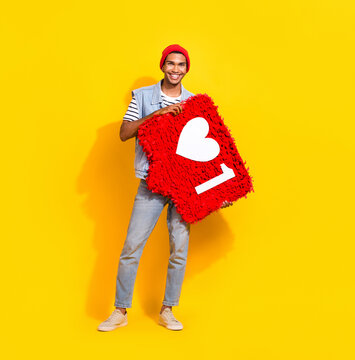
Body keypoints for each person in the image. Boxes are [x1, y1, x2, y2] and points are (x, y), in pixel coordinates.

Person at [98, 44, 194, 332]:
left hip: (182, 186)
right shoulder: (141, 98)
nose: (175, 69)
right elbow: (124, 133)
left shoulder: (195, 102)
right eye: (171, 63)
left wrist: (217, 191)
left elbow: (205, 152)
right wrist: (157, 116)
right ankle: (120, 311)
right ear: (162, 65)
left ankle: (168, 309)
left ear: (187, 69)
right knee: (132, 247)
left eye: (181, 64)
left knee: (179, 248)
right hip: (150, 182)